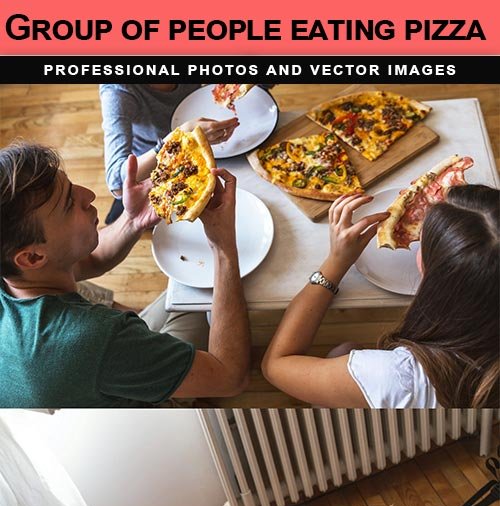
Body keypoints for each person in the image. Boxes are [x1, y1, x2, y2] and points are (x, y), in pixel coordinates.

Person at [0, 142, 250, 407]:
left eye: (72, 187)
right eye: (69, 204)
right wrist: (223, 248)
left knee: (188, 292)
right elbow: (230, 376)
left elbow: (92, 259)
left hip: (91, 372)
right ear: (33, 257)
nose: (89, 196)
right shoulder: (94, 338)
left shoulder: (17, 267)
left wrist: (133, 220)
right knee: (202, 293)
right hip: (143, 426)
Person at [262, 185, 500, 410]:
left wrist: (335, 263)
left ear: (437, 277)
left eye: (422, 241)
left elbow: (275, 365)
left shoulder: (398, 378)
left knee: (342, 351)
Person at [99, 83, 239, 211]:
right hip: (159, 172)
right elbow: (116, 183)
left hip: (212, 150)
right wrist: (178, 138)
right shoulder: (117, 92)